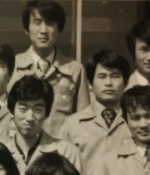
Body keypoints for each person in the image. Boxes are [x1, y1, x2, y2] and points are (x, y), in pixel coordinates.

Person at [5, 75, 89, 175]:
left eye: (37, 109)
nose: (30, 117)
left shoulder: (67, 152)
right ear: (12, 110)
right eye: (23, 109)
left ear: (47, 113)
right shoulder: (2, 152)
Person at [10, 0, 90, 138]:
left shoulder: (75, 70)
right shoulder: (12, 67)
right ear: (27, 28)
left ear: (59, 30)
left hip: (61, 149)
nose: (43, 30)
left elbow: (84, 123)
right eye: (37, 22)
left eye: (50, 23)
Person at [61, 49, 131, 175]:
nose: (108, 83)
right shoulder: (73, 124)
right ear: (90, 83)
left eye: (115, 76)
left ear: (126, 82)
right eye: (102, 76)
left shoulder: (135, 122)